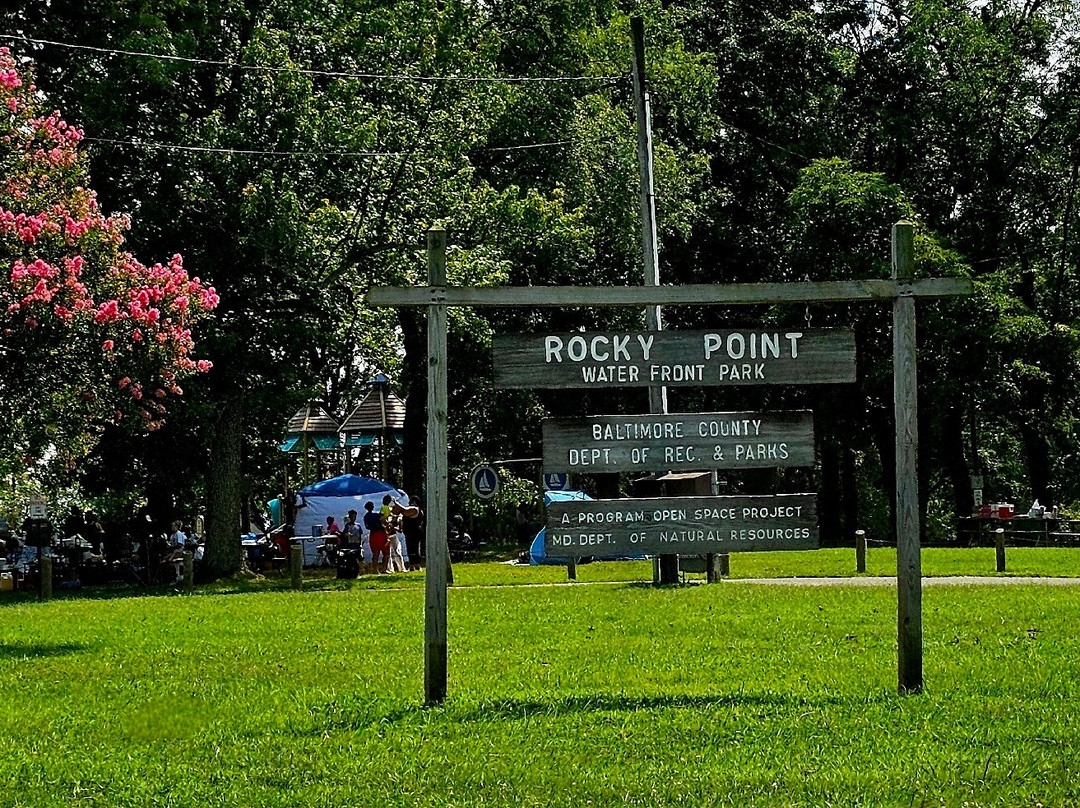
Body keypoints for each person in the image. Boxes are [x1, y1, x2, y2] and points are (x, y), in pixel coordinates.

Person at [364, 500, 388, 574]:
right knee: (386, 553)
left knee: (375, 553)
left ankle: (375, 570)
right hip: (381, 533)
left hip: (373, 534)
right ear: (373, 507)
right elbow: (383, 522)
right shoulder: (377, 515)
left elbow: (367, 527)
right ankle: (384, 569)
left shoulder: (366, 517)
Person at [401, 496, 425, 572]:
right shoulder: (409, 511)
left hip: (415, 532)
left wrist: (396, 503)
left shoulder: (416, 510)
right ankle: (412, 565)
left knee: (415, 549)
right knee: (410, 549)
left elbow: (406, 512)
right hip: (408, 532)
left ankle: (417, 565)